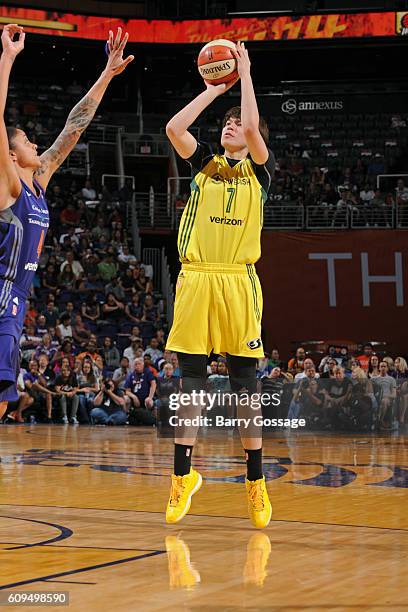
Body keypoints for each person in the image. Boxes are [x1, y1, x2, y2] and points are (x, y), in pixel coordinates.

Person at [164, 42, 275, 528]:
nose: (232, 126)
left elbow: (252, 127)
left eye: (238, 123)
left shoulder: (259, 169)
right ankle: (181, 477)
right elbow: (174, 128)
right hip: (197, 278)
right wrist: (212, 90)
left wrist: (245, 72)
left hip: (237, 281)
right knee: (190, 383)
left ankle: (255, 482)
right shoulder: (205, 163)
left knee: (245, 387)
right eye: (226, 123)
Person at [0, 23, 133, 421]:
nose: (37, 145)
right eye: (26, 141)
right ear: (9, 153)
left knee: (4, 396)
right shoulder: (7, 185)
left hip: (16, 299)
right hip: (2, 294)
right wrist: (7, 58)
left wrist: (106, 74)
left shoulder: (37, 183)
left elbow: (73, 128)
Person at [124, 357, 156, 425]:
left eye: (139, 364)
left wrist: (150, 397)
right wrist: (134, 397)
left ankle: (149, 417)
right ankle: (126, 417)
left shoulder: (147, 372)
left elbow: (153, 384)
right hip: (135, 402)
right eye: (135, 364)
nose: (137, 366)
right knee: (125, 398)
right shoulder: (131, 375)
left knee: (148, 401)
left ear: (143, 365)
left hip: (146, 400)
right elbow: (127, 391)